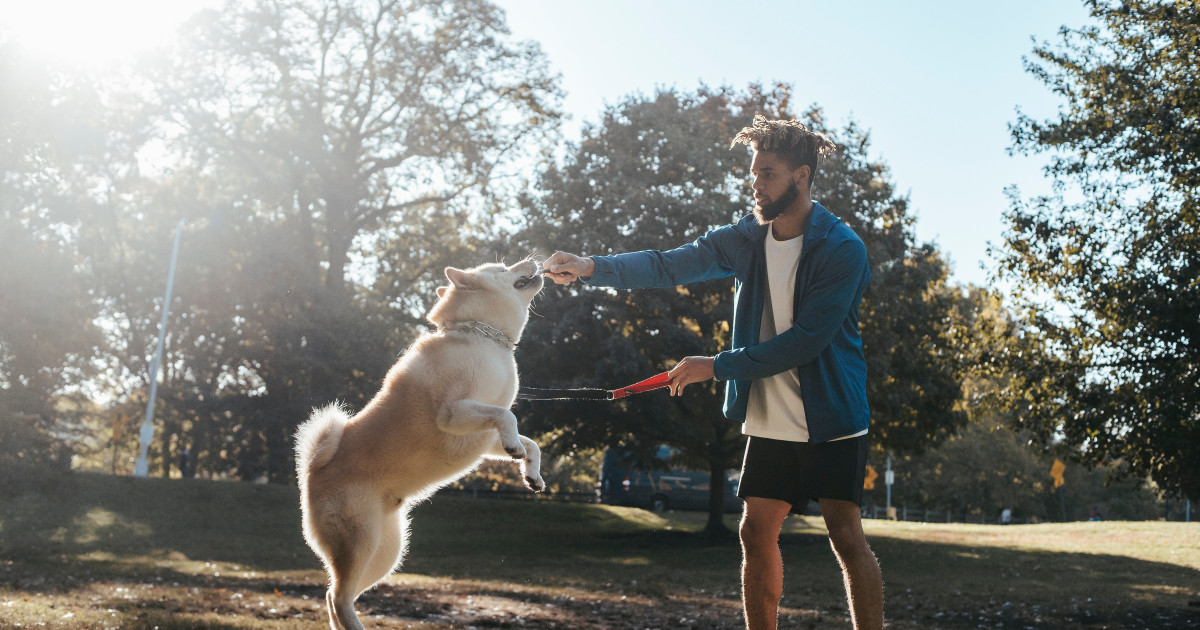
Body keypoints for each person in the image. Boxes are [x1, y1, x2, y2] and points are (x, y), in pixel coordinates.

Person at [542, 115, 884, 630]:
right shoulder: (746, 239)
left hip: (833, 417)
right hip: (771, 418)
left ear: (802, 177)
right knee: (754, 532)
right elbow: (669, 265)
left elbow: (806, 342)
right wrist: (592, 266)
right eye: (753, 173)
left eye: (767, 173)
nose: (756, 183)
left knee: (845, 536)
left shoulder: (843, 249)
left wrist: (714, 366)